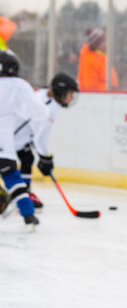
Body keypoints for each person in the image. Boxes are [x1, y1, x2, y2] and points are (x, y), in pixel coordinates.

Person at [15, 72, 79, 209]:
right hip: (11, 137)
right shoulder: (47, 105)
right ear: (61, 91)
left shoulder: (46, 97)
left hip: (17, 137)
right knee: (14, 162)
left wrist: (44, 156)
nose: (72, 97)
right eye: (70, 93)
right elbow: (39, 137)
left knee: (27, 158)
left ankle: (25, 194)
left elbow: (37, 133)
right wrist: (45, 157)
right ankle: (22, 195)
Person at [0, 50, 47, 228]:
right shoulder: (19, 85)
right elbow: (39, 111)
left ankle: (3, 205)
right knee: (12, 177)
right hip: (5, 146)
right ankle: (28, 215)